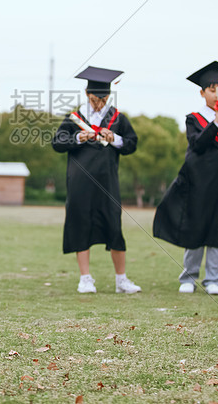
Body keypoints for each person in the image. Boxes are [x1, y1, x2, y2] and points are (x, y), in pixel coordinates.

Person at [153, 61, 218, 295]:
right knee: (195, 227)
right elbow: (197, 144)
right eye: (212, 89)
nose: (217, 94)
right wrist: (215, 123)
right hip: (198, 181)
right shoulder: (194, 118)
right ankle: (189, 276)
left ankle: (214, 279)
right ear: (202, 92)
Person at [52, 66, 141, 294]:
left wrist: (115, 138)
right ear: (87, 94)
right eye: (94, 98)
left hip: (108, 181)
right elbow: (57, 143)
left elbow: (131, 144)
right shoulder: (75, 118)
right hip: (79, 181)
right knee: (80, 224)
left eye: (103, 98)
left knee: (114, 224)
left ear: (109, 96)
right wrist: (79, 136)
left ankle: (121, 280)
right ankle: (85, 278)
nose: (98, 103)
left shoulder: (117, 119)